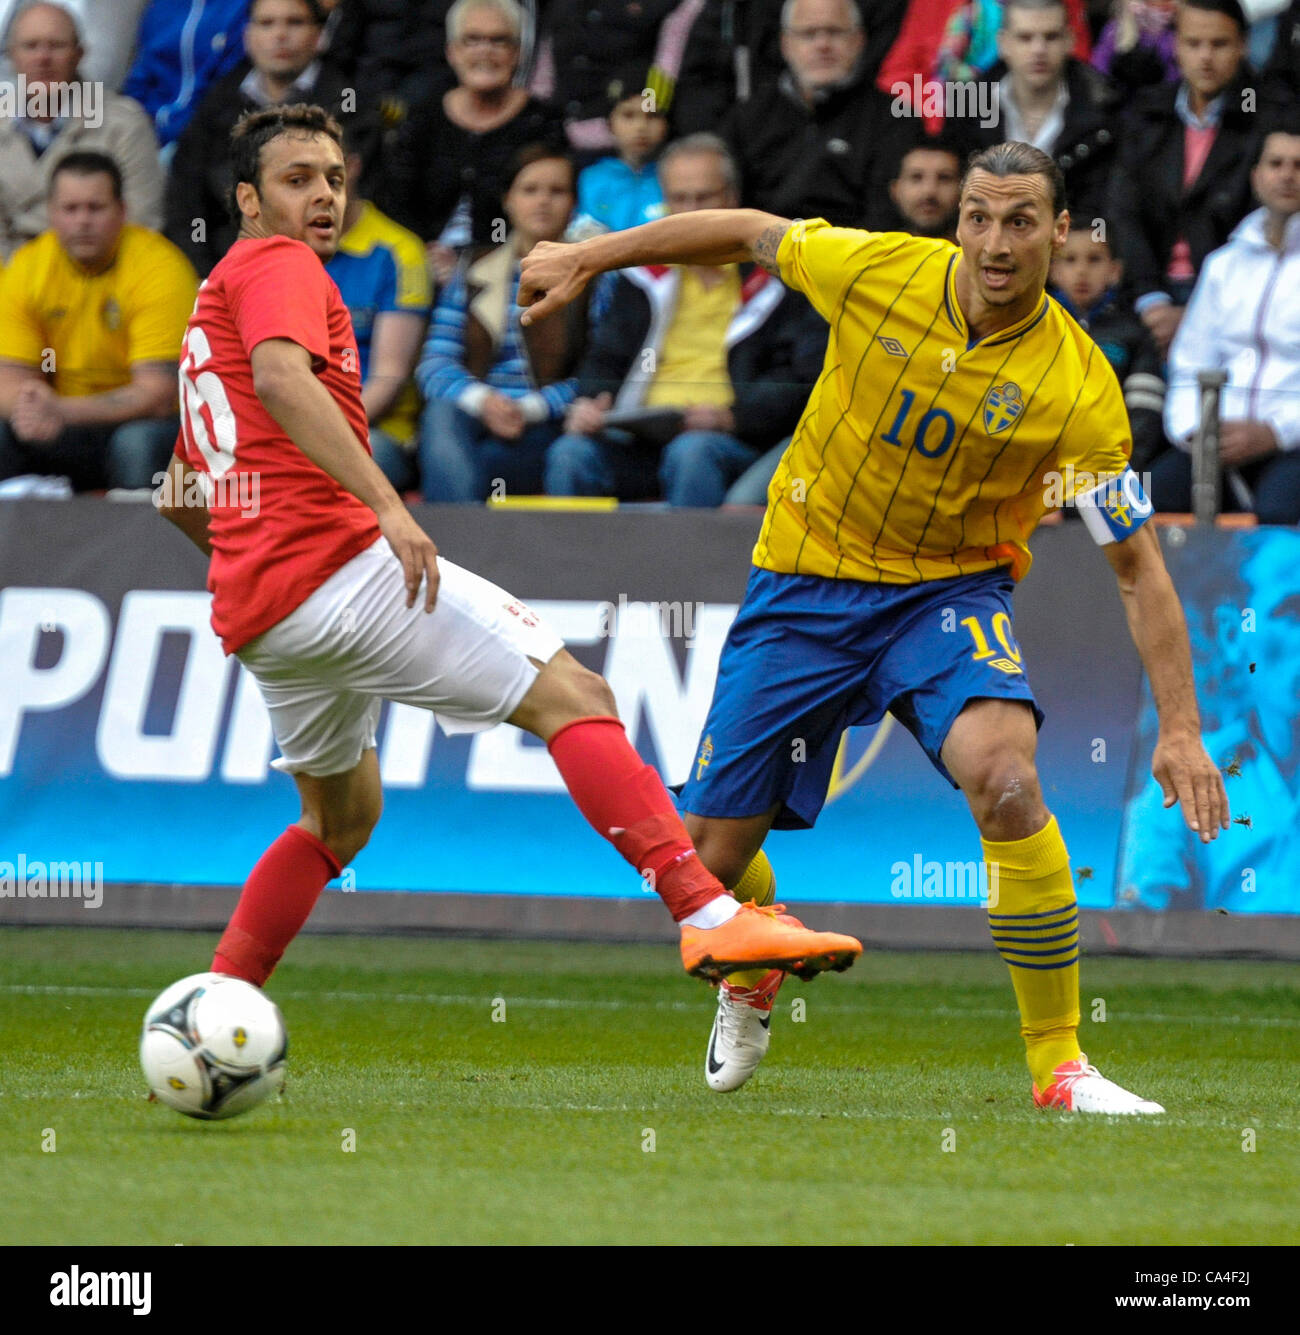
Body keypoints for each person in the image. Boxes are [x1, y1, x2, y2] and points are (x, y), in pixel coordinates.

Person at [520, 139, 1230, 1113]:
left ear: (1059, 234)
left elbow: (1135, 567)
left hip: (945, 598)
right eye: (978, 216)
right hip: (805, 584)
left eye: (1020, 220)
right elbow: (747, 231)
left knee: (1008, 777)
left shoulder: (1076, 390)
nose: (994, 241)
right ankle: (754, 947)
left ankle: (1058, 1066)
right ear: (957, 221)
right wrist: (589, 256)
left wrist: (1180, 727)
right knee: (708, 861)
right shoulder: (881, 270)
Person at [156, 101, 862, 993]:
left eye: (334, 179)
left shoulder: (211, 298)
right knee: (574, 693)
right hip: (339, 570)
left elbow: (178, 485)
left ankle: (218, 997)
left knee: (339, 820)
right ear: (248, 201)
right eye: (298, 181)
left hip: (267, 618)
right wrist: (385, 505)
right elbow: (281, 378)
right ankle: (708, 918)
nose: (323, 198)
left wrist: (245, 559)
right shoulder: (282, 265)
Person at [543, 134, 818, 507]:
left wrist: (730, 418)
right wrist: (589, 404)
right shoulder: (639, 276)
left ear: (733, 200)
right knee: (570, 453)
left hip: (729, 440)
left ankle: (689, 566)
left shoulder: (776, 281)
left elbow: (795, 380)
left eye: (704, 198)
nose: (691, 212)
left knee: (692, 452)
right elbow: (603, 357)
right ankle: (569, 566)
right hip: (636, 435)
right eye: (680, 199)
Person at [0, 151, 196, 491]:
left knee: (137, 443)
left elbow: (158, 395)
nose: (82, 221)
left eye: (95, 207)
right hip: (59, 424)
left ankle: (142, 543)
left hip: (143, 423)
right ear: (51, 213)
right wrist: (32, 406)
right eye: (70, 209)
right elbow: (8, 380)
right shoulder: (26, 268)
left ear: (122, 211)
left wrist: (60, 409)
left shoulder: (161, 268)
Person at [416, 144, 590, 501]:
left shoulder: (593, 278)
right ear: (508, 200)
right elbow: (434, 363)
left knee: (481, 464)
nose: (542, 201)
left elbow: (597, 374)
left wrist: (529, 408)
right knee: (441, 416)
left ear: (574, 204)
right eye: (530, 190)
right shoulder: (475, 269)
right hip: (473, 416)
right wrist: (484, 402)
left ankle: (452, 546)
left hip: (547, 424)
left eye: (556, 191)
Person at [1151, 126, 1300, 522]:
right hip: (1216, 439)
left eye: (1299, 165)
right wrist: (1195, 432)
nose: (1288, 175)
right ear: (1256, 176)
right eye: (1276, 164)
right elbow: (1189, 361)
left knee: (1277, 515)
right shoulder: (1223, 265)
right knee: (1139, 503)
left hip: (1291, 440)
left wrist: (1276, 432)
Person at [1108, 0, 1264, 358]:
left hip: (1234, 303)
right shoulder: (1147, 113)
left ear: (1244, 45)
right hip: (1147, 295)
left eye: (1219, 44)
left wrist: (1197, 313)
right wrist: (1153, 301)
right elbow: (1122, 211)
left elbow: (1258, 224)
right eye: (1193, 44)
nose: (1205, 57)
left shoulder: (1268, 117)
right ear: (1176, 45)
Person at [379, 0, 563, 288]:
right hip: (419, 266)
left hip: (511, 274)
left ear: (516, 53)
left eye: (498, 41)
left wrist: (477, 261)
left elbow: (545, 211)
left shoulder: (543, 124)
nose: (485, 51)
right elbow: (397, 203)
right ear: (452, 52)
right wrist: (423, 251)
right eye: (472, 40)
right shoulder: (422, 119)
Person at [164, 0, 350, 276]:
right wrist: (211, 275)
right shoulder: (217, 103)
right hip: (228, 268)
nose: (280, 35)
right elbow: (188, 200)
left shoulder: (348, 104)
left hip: (327, 270)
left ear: (320, 35)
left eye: (294, 22)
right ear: (247, 36)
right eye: (266, 23)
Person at [721, 0, 915, 229]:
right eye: (808, 34)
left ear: (859, 40)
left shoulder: (894, 119)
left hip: (856, 256)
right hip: (762, 255)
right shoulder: (747, 119)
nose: (823, 45)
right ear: (785, 44)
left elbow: (888, 217)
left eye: (835, 32)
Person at [0, 1, 164, 260]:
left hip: (102, 278)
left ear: (79, 54)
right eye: (31, 46)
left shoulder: (124, 124)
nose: (43, 58)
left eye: (56, 46)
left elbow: (142, 223)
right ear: (11, 57)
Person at [324, 116, 433, 494]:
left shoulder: (400, 252)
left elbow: (388, 377)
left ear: (352, 167)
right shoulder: (272, 250)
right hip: (286, 427)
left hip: (374, 430)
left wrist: (314, 435)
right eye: (294, 176)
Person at [962, 0, 1122, 221]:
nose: (1039, 50)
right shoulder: (967, 108)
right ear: (1003, 43)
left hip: (1071, 248)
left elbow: (1106, 210)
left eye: (1051, 37)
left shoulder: (1106, 111)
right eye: (1025, 38)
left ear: (1069, 40)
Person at [1048, 217, 1166, 470]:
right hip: (1046, 478)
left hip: (1112, 472)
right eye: (1069, 260)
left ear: (1114, 271)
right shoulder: (1038, 330)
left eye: (1094, 259)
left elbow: (1144, 413)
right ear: (1053, 271)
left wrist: (1120, 470)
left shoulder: (1134, 335)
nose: (1082, 271)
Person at [123, 0, 253, 149]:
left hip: (208, 138)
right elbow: (139, 76)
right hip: (143, 131)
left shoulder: (242, 8)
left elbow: (227, 85)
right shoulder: (160, 7)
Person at [568, 66, 668, 238]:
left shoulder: (675, 178)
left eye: (652, 116)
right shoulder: (590, 179)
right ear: (609, 123)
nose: (641, 127)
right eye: (628, 115)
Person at [888, 136, 964, 239]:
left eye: (944, 178)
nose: (929, 191)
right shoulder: (874, 253)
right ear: (895, 190)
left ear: (964, 190)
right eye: (916, 177)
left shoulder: (985, 253)